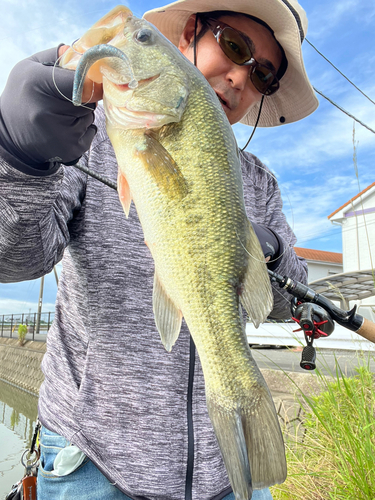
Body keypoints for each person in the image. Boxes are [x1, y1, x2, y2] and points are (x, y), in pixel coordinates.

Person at [0, 0, 318, 499]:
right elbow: (14, 259)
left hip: (225, 473)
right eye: (233, 46)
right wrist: (19, 158)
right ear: (190, 31)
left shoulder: (258, 183)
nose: (239, 77)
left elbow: (284, 300)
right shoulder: (86, 136)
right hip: (91, 464)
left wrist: (271, 251)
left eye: (263, 76)